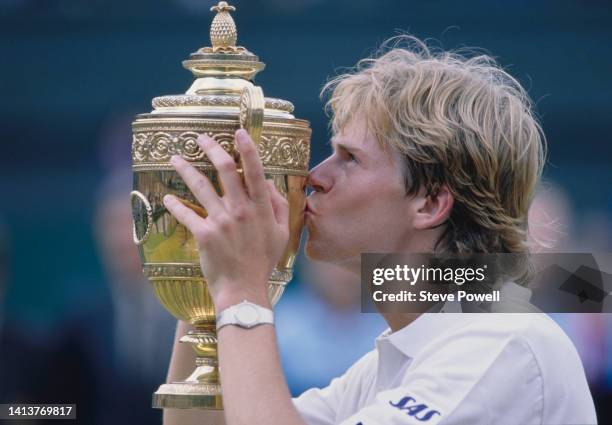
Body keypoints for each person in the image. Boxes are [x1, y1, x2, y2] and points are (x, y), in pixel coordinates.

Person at [162, 37, 597, 425]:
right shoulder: (394, 361)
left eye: (349, 158)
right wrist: (206, 280)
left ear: (429, 203)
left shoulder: (505, 344)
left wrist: (242, 291)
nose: (315, 176)